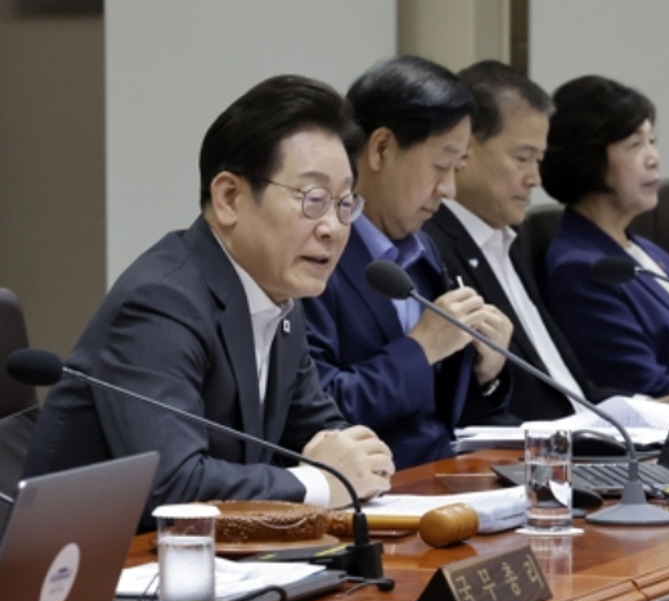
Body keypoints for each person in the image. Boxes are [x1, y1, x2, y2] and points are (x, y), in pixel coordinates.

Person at [23, 75, 395, 526]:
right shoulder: (160, 303)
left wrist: (359, 460)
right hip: (94, 561)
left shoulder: (279, 299)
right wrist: (321, 482)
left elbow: (323, 433)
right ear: (229, 198)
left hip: (216, 557)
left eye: (344, 203)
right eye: (314, 199)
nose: (333, 227)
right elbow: (173, 486)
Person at [303, 56, 513, 469]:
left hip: (443, 475)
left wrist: (486, 372)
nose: (449, 189)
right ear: (382, 148)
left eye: (456, 169)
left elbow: (441, 410)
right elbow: (318, 407)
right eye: (440, 166)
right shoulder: (316, 251)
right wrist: (421, 348)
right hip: (373, 486)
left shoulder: (423, 248)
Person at [423, 60, 619, 423]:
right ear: (465, 149)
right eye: (523, 158)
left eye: (539, 160)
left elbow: (571, 387)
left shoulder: (510, 240)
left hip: (588, 432)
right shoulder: (432, 247)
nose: (535, 179)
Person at [539, 75, 669, 397]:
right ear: (588, 158)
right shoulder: (581, 271)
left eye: (652, 141)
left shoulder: (644, 249)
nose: (653, 158)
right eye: (635, 145)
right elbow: (647, 390)